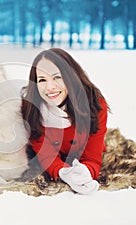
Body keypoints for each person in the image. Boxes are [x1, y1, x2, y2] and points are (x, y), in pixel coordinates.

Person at [22, 48, 108, 194]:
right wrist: (63, 172)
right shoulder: (31, 108)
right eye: (42, 80)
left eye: (57, 77)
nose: (50, 87)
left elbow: (93, 156)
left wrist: (86, 173)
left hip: (83, 156)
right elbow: (46, 154)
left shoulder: (94, 103)